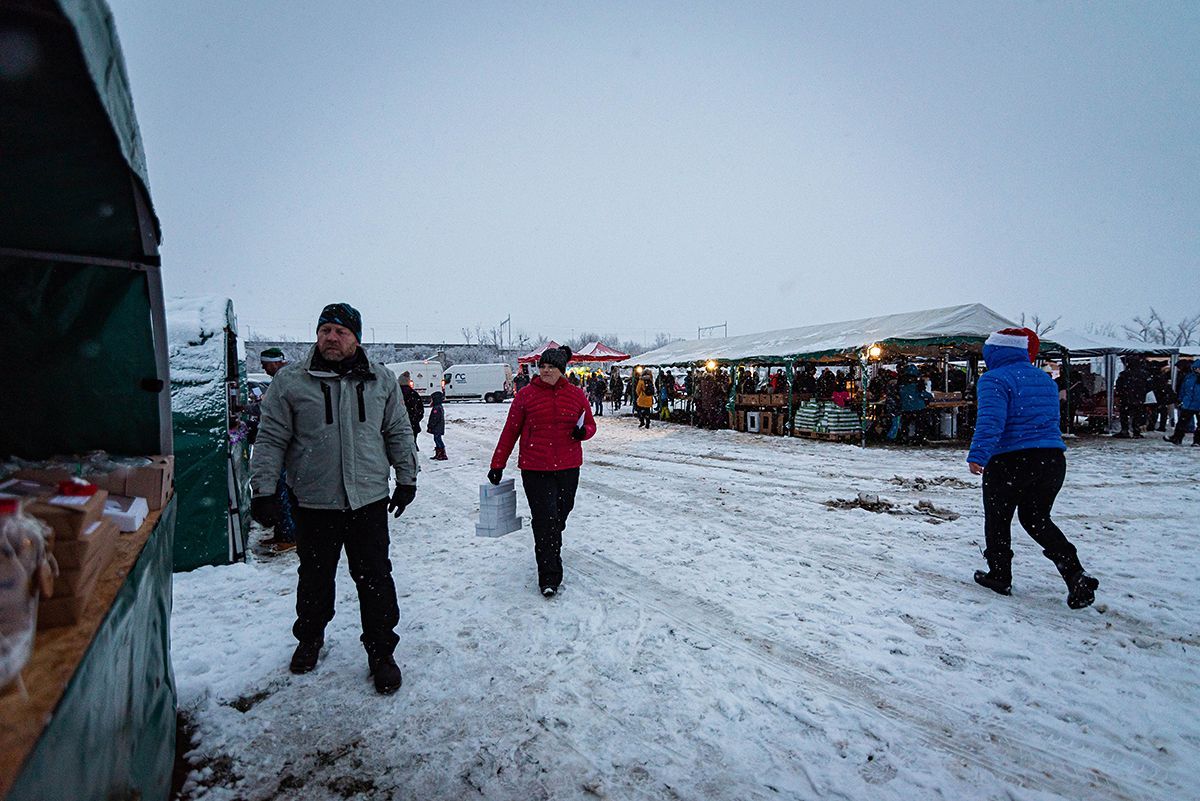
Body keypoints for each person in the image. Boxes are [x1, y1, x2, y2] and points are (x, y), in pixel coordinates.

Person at [250, 303, 418, 694]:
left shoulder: (381, 380)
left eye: (340, 331)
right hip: (313, 502)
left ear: (357, 338)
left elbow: (398, 431)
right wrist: (263, 490)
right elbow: (272, 438)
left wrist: (406, 478)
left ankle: (381, 652)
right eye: (325, 329)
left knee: (375, 578)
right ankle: (310, 638)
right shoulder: (291, 382)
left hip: (368, 501)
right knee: (314, 576)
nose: (331, 337)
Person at [967, 327, 1099, 610]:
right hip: (1051, 459)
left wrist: (979, 454)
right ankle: (1075, 573)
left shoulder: (993, 379)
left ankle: (1000, 575)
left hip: (1011, 460)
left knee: (998, 518)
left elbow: (992, 420)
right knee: (1037, 518)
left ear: (995, 352)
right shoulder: (1045, 379)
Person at [487, 345, 596, 597]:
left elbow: (590, 424)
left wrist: (584, 433)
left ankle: (551, 540)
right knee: (545, 520)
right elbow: (510, 431)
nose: (545, 371)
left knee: (561, 513)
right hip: (535, 468)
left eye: (551, 367)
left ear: (561, 370)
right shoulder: (526, 395)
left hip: (569, 467)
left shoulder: (576, 395)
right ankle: (549, 575)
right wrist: (497, 464)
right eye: (542, 367)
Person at [255, 347, 297, 551]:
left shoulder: (287, 381)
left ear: (276, 362)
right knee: (280, 493)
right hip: (283, 447)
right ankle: (282, 533)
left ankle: (289, 535)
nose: (264, 369)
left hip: (286, 449)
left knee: (283, 493)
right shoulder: (282, 380)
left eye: (266, 365)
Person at [1166, 360, 1200, 446]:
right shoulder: (1189, 377)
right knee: (1182, 422)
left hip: (1196, 404)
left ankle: (1197, 441)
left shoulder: (1189, 377)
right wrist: (1181, 399)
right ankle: (1177, 438)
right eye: (1196, 368)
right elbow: (1183, 389)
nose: (1197, 370)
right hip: (1188, 404)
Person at [1113, 357, 1149, 438]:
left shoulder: (1124, 374)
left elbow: (1119, 385)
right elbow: (1149, 385)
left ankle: (1125, 430)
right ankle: (1136, 431)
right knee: (1137, 415)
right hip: (1139, 398)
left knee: (1124, 414)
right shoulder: (1143, 374)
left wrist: (1122, 392)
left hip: (1126, 397)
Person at [397, 371, 425, 446]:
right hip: (413, 423)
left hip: (398, 425)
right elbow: (420, 410)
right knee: (412, 444)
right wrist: (416, 419)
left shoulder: (396, 394)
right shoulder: (414, 394)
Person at [427, 390, 447, 460]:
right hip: (438, 427)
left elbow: (434, 418)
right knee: (437, 439)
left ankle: (441, 453)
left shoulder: (436, 408)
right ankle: (440, 452)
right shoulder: (438, 407)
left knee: (437, 439)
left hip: (437, 427)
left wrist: (430, 425)